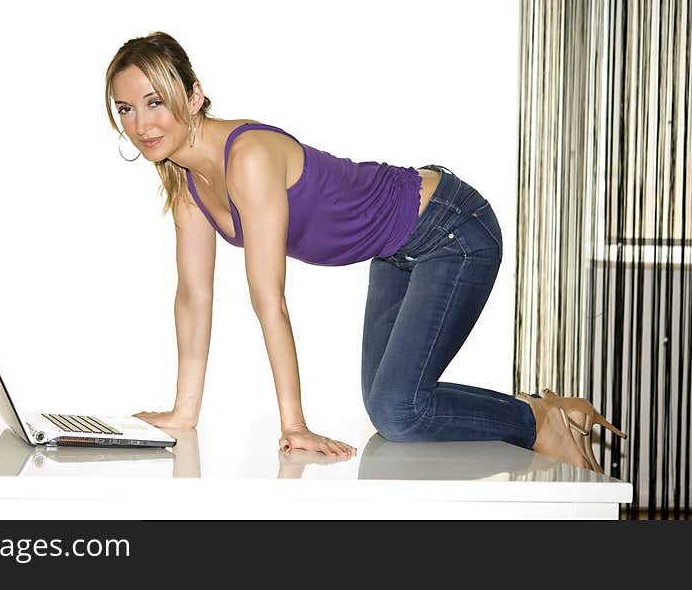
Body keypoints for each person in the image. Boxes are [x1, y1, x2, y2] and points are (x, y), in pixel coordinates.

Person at [104, 31, 626, 471]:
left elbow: (270, 300)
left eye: (155, 102)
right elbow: (194, 297)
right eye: (126, 109)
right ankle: (539, 411)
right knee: (391, 411)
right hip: (396, 252)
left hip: (451, 229)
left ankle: (537, 419)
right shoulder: (186, 183)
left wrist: (294, 425)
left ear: (193, 96)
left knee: (400, 412)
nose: (142, 124)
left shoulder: (249, 156)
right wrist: (183, 413)